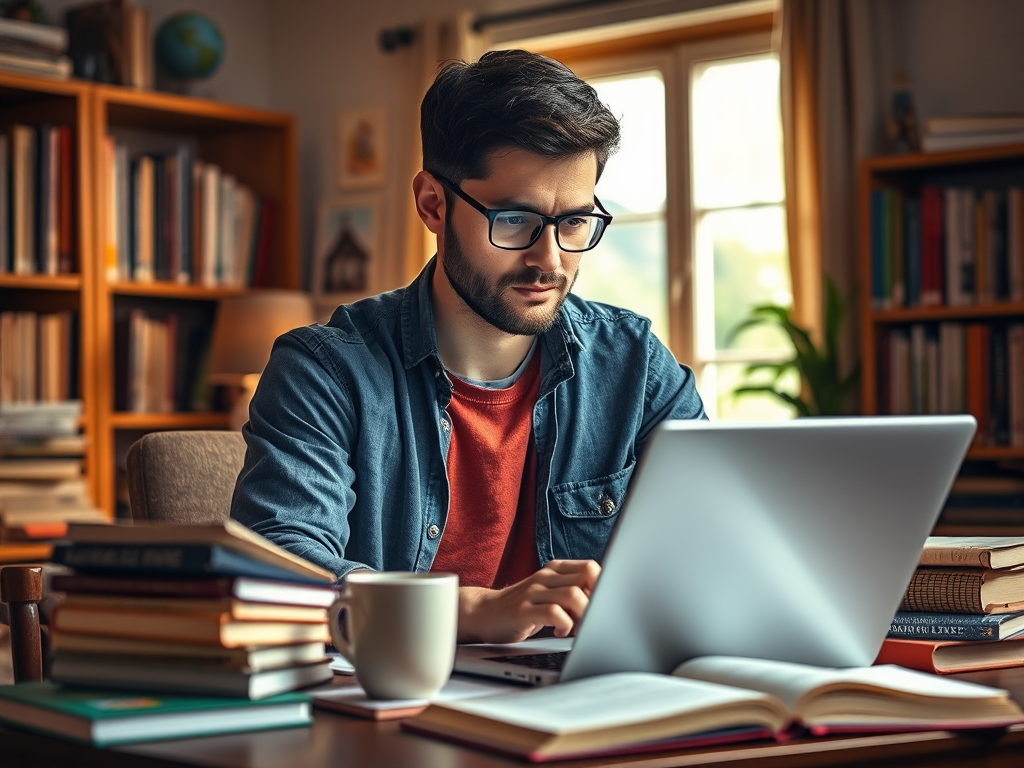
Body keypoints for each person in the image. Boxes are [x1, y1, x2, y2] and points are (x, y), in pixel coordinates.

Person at [230, 49, 705, 645]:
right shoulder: (325, 372)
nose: (550, 260)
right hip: (395, 713)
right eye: (513, 221)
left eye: (575, 223)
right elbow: (282, 569)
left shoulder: (634, 366)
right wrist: (466, 612)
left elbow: (717, 538)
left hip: (589, 700)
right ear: (433, 204)